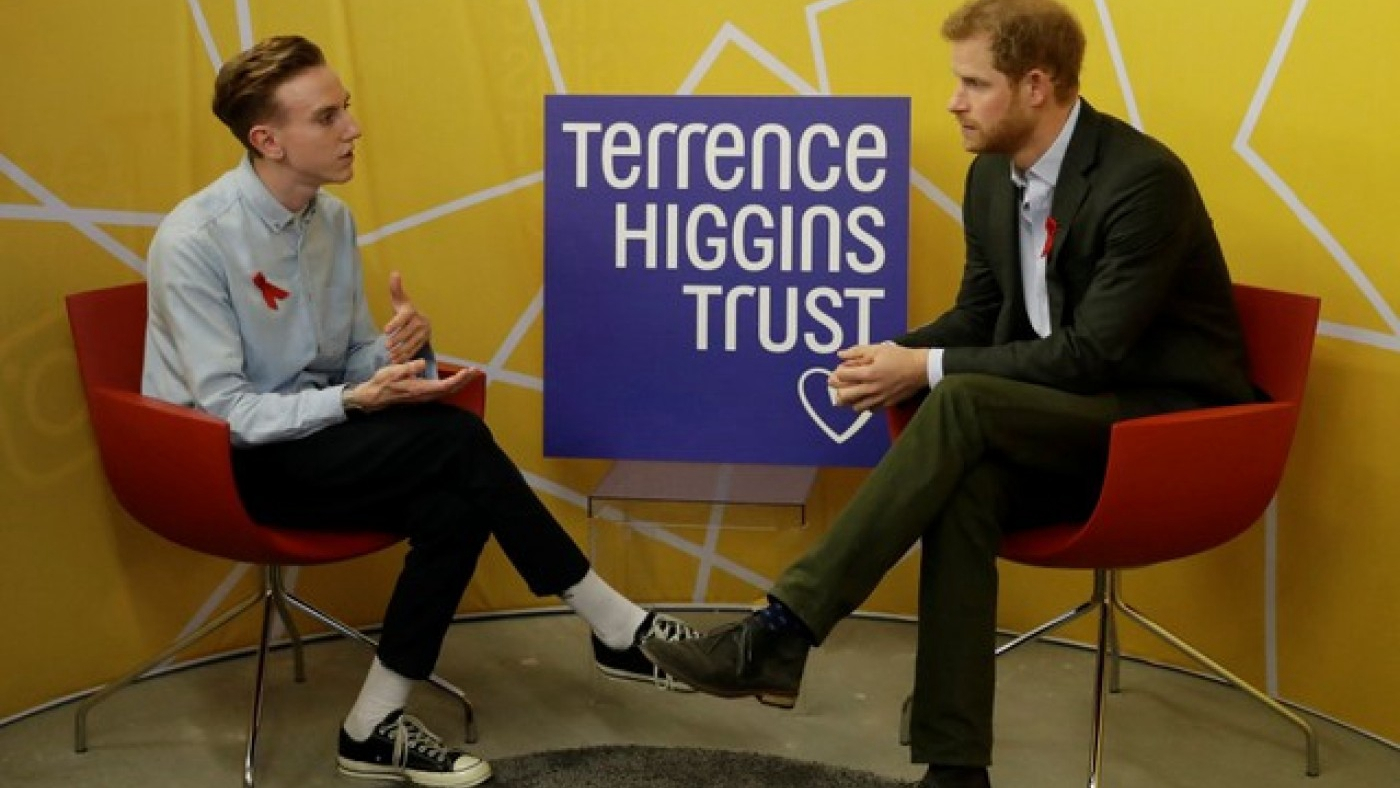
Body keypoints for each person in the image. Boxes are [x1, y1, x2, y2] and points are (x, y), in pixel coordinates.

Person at [640, 1, 1256, 786]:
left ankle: (781, 631)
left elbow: (1090, 355)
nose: (953, 102)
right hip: (1062, 423)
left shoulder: (1142, 182)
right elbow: (979, 314)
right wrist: (896, 354)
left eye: (974, 83)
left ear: (1037, 85)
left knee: (959, 401)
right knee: (967, 486)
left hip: (1166, 429)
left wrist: (926, 371)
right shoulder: (991, 177)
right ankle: (956, 768)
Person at [142, 35, 697, 788]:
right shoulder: (193, 241)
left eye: (346, 109)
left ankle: (372, 726)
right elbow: (229, 413)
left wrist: (400, 350)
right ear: (267, 140)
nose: (353, 128)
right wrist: (356, 398)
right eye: (327, 117)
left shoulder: (332, 221)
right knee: (456, 442)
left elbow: (345, 358)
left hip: (314, 440)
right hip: (226, 465)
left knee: (456, 500)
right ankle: (614, 625)